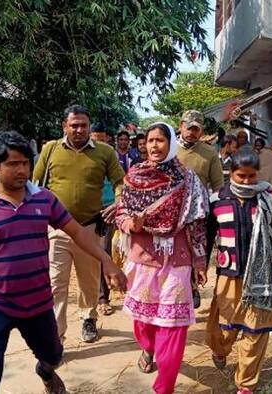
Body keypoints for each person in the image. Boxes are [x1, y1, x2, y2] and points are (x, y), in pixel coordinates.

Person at [0, 131, 127, 394]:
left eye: (25, 163)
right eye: (12, 164)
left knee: (54, 356)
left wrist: (108, 262)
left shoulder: (44, 200)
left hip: (39, 303)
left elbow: (77, 232)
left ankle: (45, 372)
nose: (21, 170)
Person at [116, 122, 208, 394]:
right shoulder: (134, 176)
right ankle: (148, 349)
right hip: (144, 258)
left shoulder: (188, 179)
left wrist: (200, 262)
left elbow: (197, 224)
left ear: (171, 144)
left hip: (178, 259)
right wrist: (131, 225)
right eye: (150, 140)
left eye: (160, 140)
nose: (154, 145)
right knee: (144, 323)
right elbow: (121, 213)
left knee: (173, 323)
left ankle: (164, 386)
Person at [205, 149, 272, 394]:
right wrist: (200, 268)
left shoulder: (269, 198)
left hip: (262, 277)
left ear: (258, 174)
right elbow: (207, 237)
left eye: (251, 176)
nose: (246, 182)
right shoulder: (218, 199)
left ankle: (245, 384)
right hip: (229, 275)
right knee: (224, 329)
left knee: (255, 331)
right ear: (231, 174)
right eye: (240, 176)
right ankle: (220, 350)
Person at [33, 105, 126, 343]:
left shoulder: (104, 152)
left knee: (88, 279)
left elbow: (120, 181)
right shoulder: (50, 150)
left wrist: (118, 202)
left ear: (89, 126)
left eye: (84, 125)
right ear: (64, 126)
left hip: (89, 228)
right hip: (56, 229)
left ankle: (88, 318)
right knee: (56, 283)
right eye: (74, 125)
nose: (79, 130)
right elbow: (34, 183)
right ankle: (57, 336)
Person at [177, 109, 223, 309]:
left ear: (201, 130)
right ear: (181, 126)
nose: (191, 132)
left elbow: (218, 185)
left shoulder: (209, 152)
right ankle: (178, 292)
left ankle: (193, 286)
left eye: (196, 129)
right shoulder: (169, 149)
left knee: (197, 251)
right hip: (173, 213)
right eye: (189, 128)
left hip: (199, 214)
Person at [91, 125, 117, 316]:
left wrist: (117, 204)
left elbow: (120, 183)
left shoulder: (111, 157)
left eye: (102, 138)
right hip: (86, 213)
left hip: (107, 211)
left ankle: (103, 298)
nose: (99, 142)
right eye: (95, 138)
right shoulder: (83, 156)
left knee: (103, 253)